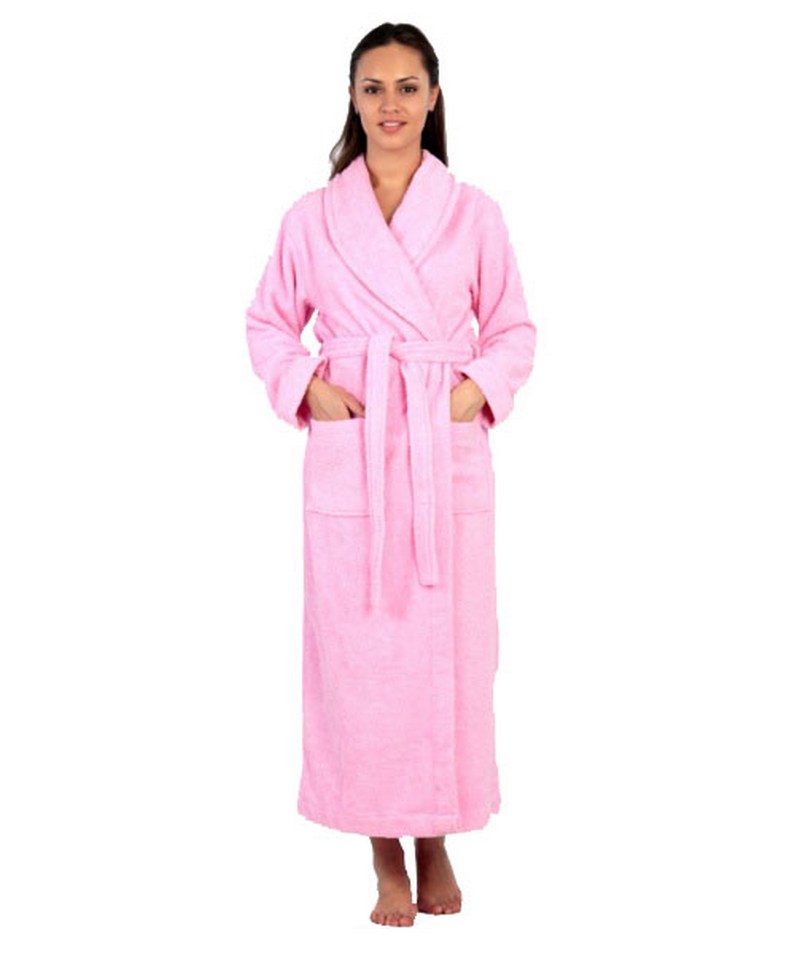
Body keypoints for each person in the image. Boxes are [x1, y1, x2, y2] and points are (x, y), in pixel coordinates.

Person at [245, 22, 537, 927]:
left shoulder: (474, 213)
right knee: (364, 656)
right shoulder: (313, 218)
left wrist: (469, 395)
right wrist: (310, 389)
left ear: (434, 97)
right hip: (358, 458)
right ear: (352, 97)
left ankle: (437, 834)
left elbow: (514, 331)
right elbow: (267, 323)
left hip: (443, 455)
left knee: (451, 654)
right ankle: (383, 851)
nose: (391, 105)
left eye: (408, 87)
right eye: (373, 88)